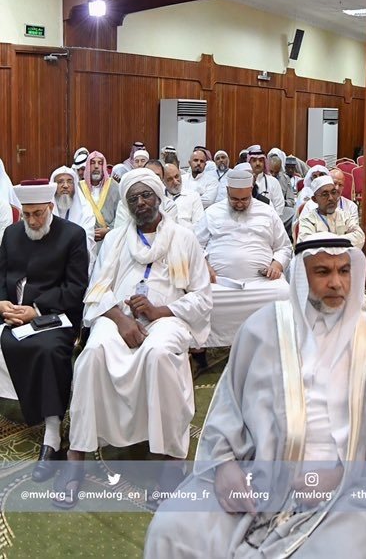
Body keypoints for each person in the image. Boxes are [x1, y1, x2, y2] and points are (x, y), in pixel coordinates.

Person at [145, 235, 366, 558]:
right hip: (259, 474)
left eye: (344, 271)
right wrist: (225, 465)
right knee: (172, 528)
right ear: (301, 276)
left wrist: (340, 477)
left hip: (347, 487)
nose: (337, 283)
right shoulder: (262, 329)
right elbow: (229, 409)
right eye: (323, 272)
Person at [58, 169, 213, 509]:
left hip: (166, 319)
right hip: (119, 318)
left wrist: (160, 311)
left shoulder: (183, 238)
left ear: (158, 197)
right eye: (133, 198)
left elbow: (202, 296)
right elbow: (96, 290)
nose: (140, 203)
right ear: (126, 204)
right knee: (93, 353)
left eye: (146, 196)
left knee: (159, 354)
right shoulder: (114, 239)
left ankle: (172, 460)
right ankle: (77, 455)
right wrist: (119, 319)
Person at [0, 181, 89, 481]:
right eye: (27, 215)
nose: (34, 221)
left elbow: (76, 288)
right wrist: (2, 303)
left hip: (54, 314)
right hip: (13, 313)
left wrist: (35, 310)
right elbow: (1, 276)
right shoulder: (12, 234)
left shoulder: (72, 236)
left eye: (39, 214)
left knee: (48, 349)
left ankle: (52, 433)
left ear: (51, 207)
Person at [195, 167, 292, 348]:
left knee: (283, 293)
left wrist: (277, 265)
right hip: (220, 284)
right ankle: (201, 350)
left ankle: (274, 347)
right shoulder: (212, 212)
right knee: (198, 299)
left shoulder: (267, 212)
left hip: (260, 284)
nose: (239, 204)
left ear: (251, 191)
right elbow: (195, 246)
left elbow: (284, 247)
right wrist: (205, 265)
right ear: (227, 192)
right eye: (234, 199)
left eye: (244, 199)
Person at [298, 175, 366, 249]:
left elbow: (359, 236)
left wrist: (329, 242)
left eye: (333, 193)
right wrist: (342, 241)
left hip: (343, 258)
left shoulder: (344, 215)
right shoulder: (308, 219)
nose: (331, 198)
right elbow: (308, 244)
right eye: (325, 194)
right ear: (315, 199)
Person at [50, 165, 94, 249]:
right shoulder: (47, 210)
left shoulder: (85, 209)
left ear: (74, 186)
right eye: (60, 182)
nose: (65, 185)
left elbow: (88, 238)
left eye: (69, 181)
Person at [80, 150, 118, 242]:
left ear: (104, 166)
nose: (96, 166)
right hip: (84, 238)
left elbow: (122, 213)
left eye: (100, 163)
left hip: (110, 239)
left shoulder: (114, 186)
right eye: (92, 163)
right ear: (88, 166)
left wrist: (109, 230)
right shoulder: (79, 187)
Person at [246, 144, 285, 217]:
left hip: (268, 221)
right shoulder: (244, 182)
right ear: (249, 163)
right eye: (254, 160)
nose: (258, 163)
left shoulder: (273, 181)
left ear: (264, 163)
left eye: (260, 160)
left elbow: (279, 206)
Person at [162, 163, 204, 230]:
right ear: (163, 182)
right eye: (170, 179)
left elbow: (199, 225)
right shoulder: (160, 198)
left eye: (177, 176)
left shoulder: (193, 196)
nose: (175, 182)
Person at [268, 147, 297, 224]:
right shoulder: (262, 179)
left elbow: (291, 201)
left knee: (292, 212)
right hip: (265, 210)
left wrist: (282, 203)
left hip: (281, 211)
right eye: (271, 171)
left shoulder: (285, 179)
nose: (273, 175)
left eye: (276, 172)